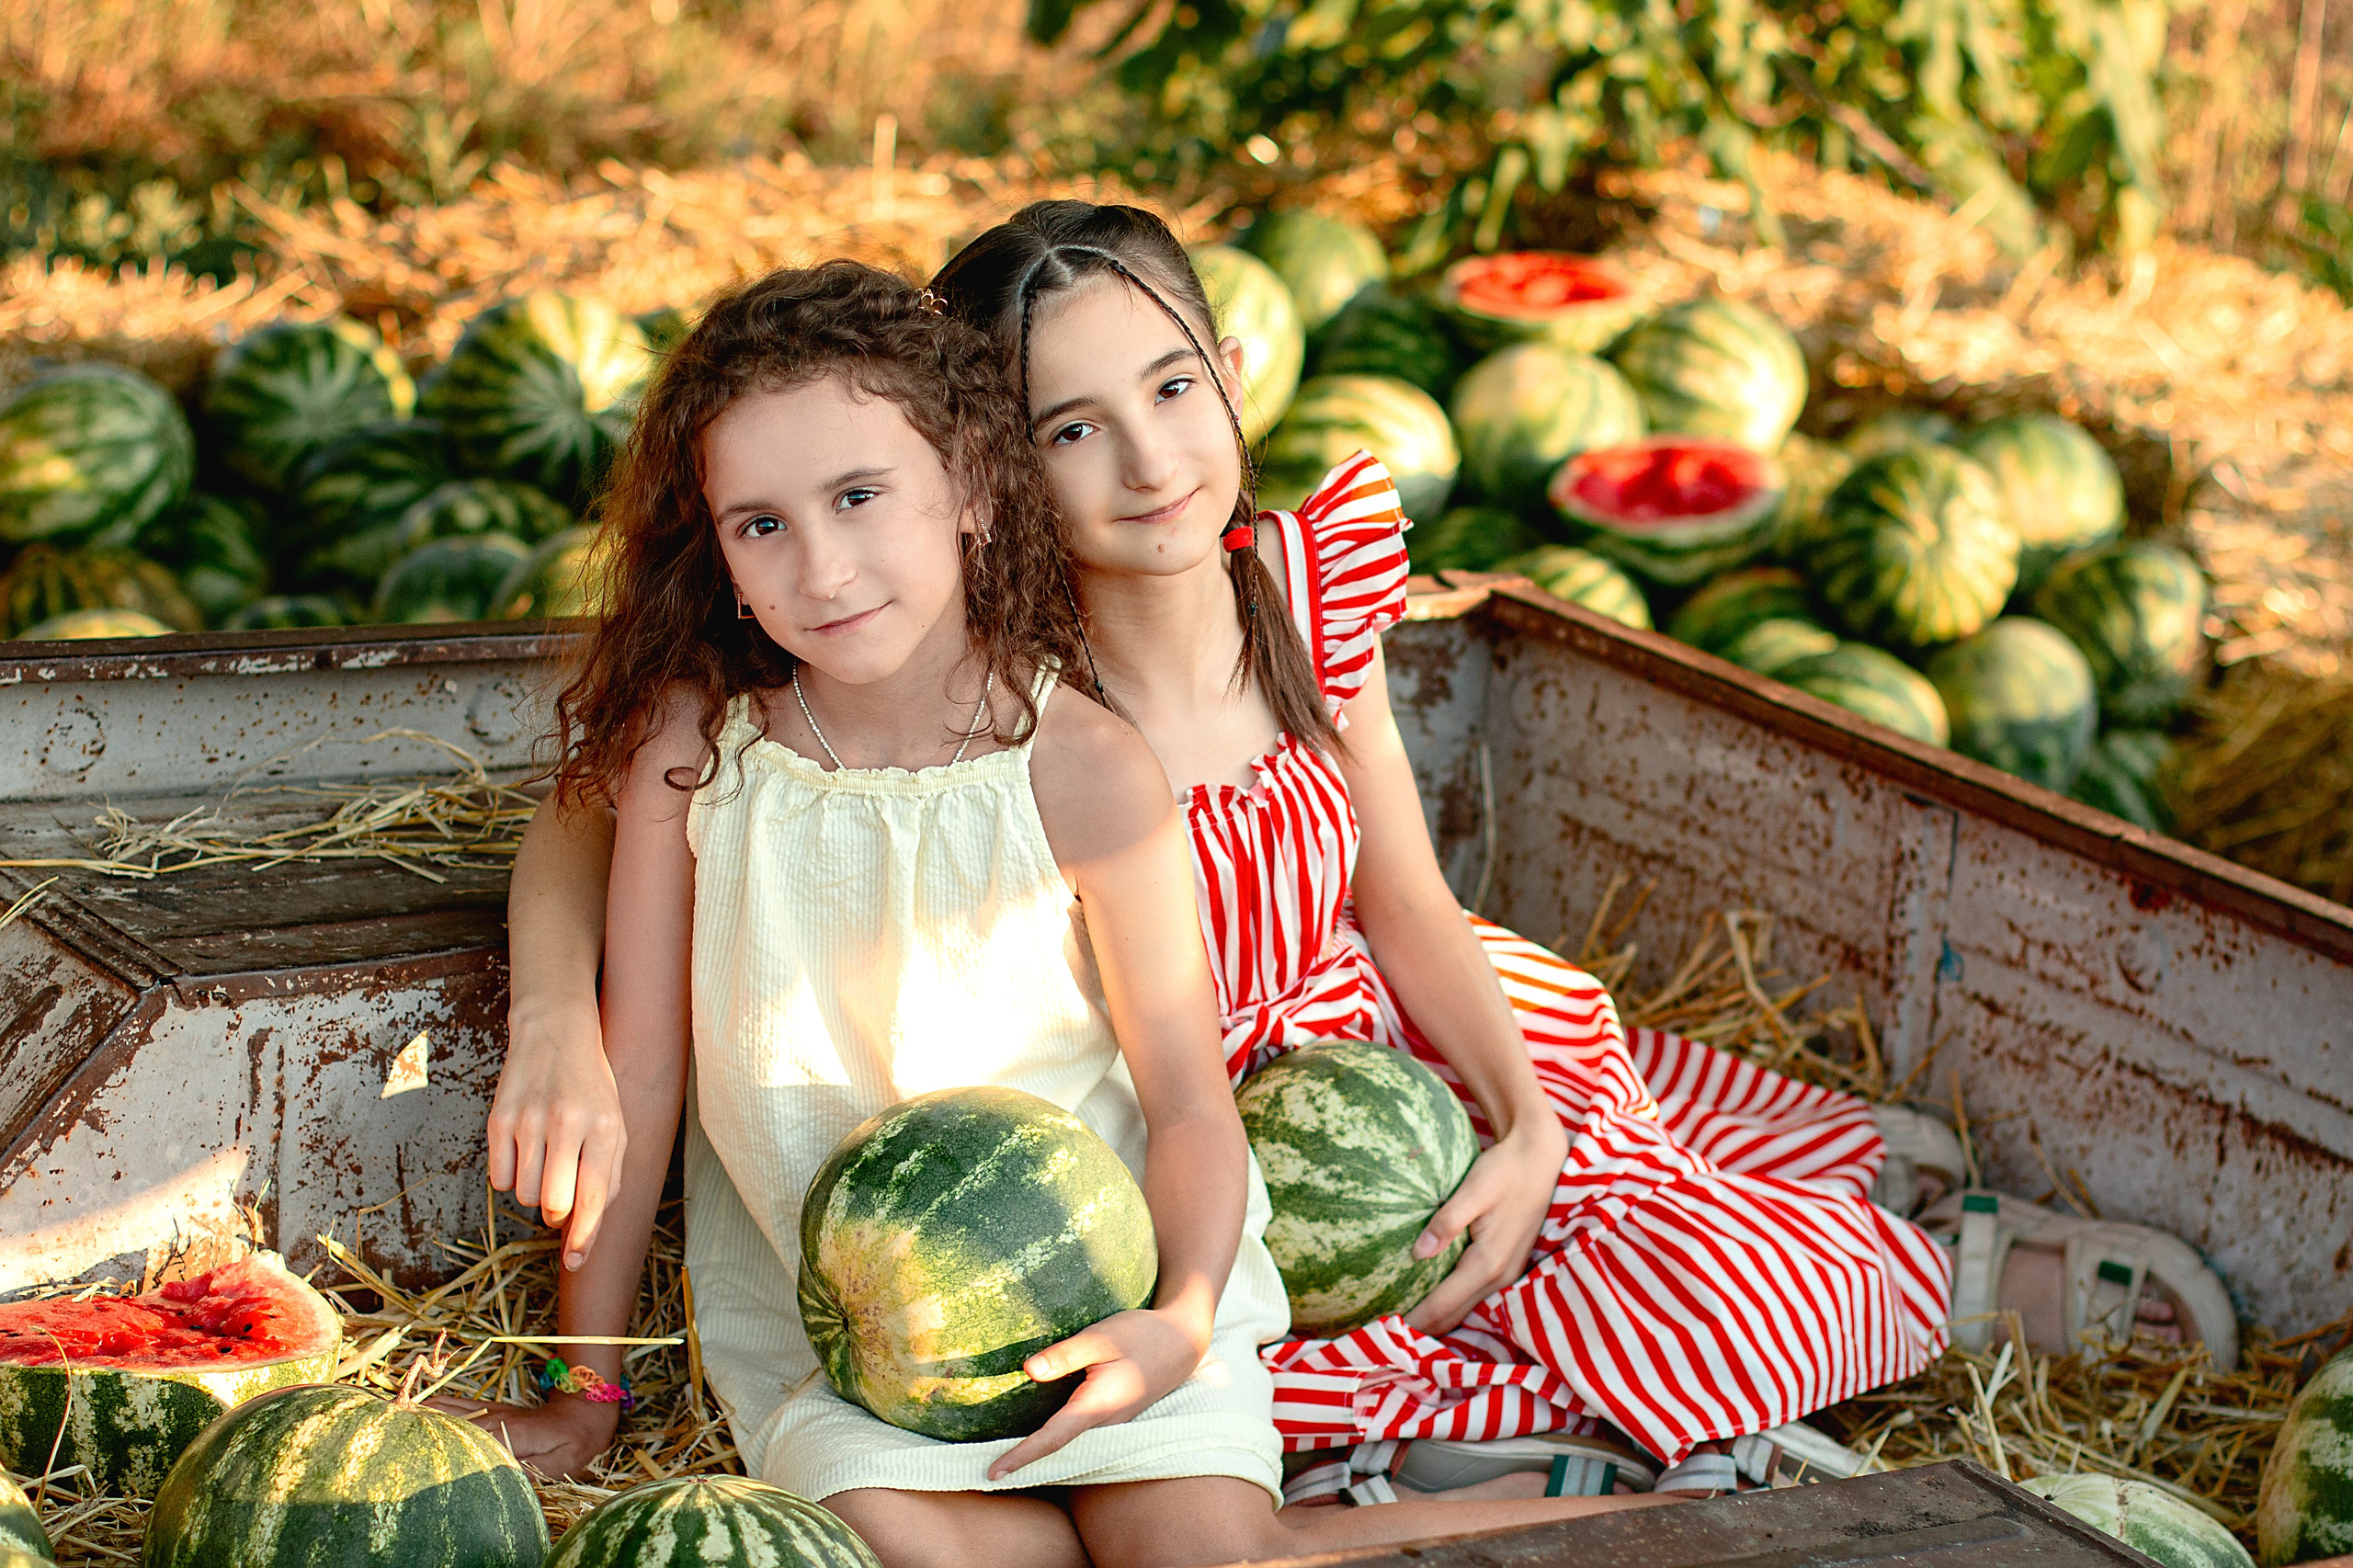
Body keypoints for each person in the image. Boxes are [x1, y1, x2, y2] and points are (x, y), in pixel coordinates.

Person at [494, 212, 2235, 1501]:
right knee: (1541, 1317)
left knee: (1646, 1192)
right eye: (1069, 426)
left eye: (1173, 388)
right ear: (992, 473)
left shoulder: (1297, 601)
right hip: (1209, 1139)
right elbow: (602, 803)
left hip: (1383, 1045)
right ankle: (1688, 1366)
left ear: (1232, 378)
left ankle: (1925, 1245)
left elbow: (1403, 900)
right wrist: (558, 1014)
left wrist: (1533, 1123)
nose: (1148, 457)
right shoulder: (967, 668)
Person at [466, 259, 1671, 1565]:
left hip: (1121, 1287)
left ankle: (1652, 1522)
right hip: (870, 1351)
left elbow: (1189, 1103)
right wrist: (584, 1394)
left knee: (1198, 1554)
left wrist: (1182, 1314)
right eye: (761, 525)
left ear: (975, 490)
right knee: (917, 1552)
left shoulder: (1083, 766)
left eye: (860, 496)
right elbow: (640, 1072)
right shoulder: (701, 755)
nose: (822, 564)